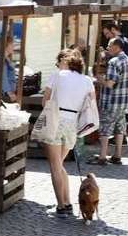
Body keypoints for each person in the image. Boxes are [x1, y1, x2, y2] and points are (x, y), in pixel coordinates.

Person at [40, 50, 94, 218]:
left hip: (56, 119)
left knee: (55, 166)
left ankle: (61, 205)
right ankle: (68, 202)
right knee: (60, 163)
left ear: (66, 63)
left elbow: (45, 101)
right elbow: (91, 104)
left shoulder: (57, 75)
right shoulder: (87, 81)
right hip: (73, 122)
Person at [88, 39, 128, 165]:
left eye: (109, 45)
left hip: (111, 101)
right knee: (120, 129)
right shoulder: (127, 60)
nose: (107, 48)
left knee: (105, 129)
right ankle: (117, 155)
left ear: (116, 47)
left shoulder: (114, 62)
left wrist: (99, 79)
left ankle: (102, 157)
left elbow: (110, 84)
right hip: (123, 102)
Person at [0, 37, 18, 102]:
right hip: (3, 94)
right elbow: (2, 76)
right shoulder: (0, 59)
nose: (13, 47)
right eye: (12, 45)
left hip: (4, 92)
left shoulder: (4, 58)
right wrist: (9, 92)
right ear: (6, 46)